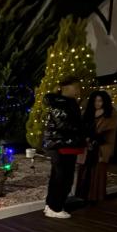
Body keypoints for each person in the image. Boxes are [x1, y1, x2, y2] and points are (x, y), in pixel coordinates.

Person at [42, 76, 85, 219]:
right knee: (63, 178)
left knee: (58, 177)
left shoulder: (64, 103)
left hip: (63, 144)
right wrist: (83, 131)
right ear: (67, 88)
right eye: (76, 87)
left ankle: (51, 205)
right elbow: (65, 125)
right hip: (62, 145)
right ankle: (55, 207)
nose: (78, 90)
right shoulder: (62, 103)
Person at [76, 90, 117, 202]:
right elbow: (81, 127)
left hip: (101, 146)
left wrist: (95, 140)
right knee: (84, 169)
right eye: (95, 101)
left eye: (100, 101)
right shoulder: (87, 112)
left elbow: (110, 131)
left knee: (97, 169)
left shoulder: (111, 113)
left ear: (105, 101)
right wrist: (85, 138)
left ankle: (95, 196)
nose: (97, 103)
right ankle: (82, 194)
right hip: (86, 145)